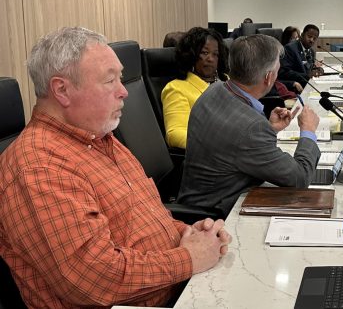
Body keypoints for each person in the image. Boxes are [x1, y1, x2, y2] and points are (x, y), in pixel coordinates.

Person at [0, 27, 231, 309]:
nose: (124, 92)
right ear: (62, 90)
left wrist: (188, 234)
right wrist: (190, 257)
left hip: (176, 289)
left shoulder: (101, 138)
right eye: (110, 80)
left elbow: (143, 220)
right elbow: (94, 279)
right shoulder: (39, 165)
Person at [178, 34, 321, 217]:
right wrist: (308, 131)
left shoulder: (215, 89)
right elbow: (300, 179)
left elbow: (234, 143)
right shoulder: (252, 128)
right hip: (218, 214)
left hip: (200, 196)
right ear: (269, 77)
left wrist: (269, 129)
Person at [162, 27, 229, 149]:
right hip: (214, 156)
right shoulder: (176, 88)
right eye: (204, 52)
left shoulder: (227, 81)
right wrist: (218, 145)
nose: (211, 58)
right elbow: (175, 134)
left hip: (243, 145)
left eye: (216, 54)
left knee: (275, 142)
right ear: (191, 55)